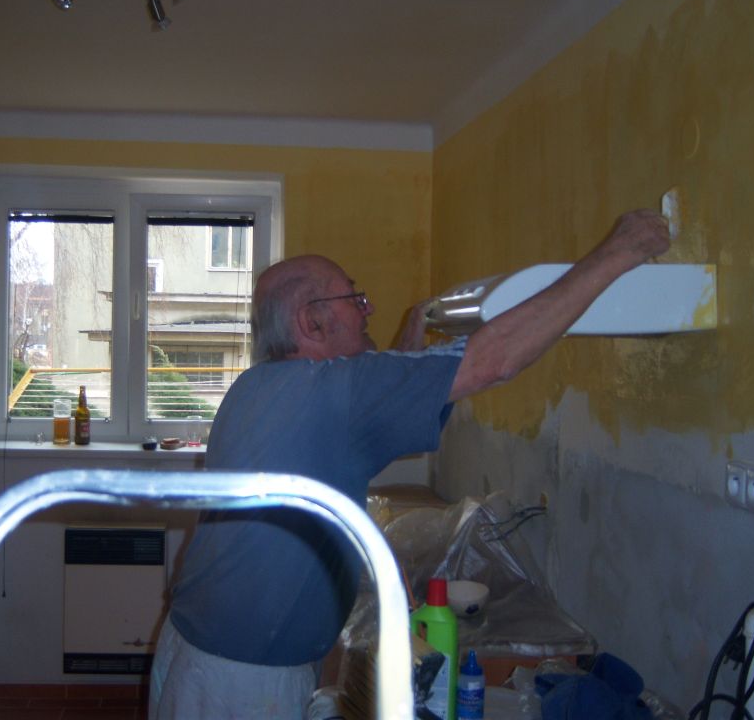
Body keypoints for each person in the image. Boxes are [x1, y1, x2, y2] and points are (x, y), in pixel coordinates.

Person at [148, 209, 670, 719]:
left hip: (195, 648)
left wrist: (412, 344)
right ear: (312, 320)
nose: (368, 308)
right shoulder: (331, 391)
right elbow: (494, 362)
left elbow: (368, 424)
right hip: (241, 677)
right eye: (354, 297)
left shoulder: (257, 388)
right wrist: (617, 252)